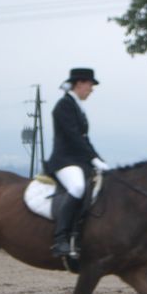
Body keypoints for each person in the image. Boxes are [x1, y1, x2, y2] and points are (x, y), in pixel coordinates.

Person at [46, 67, 109, 259]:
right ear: (80, 83)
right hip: (65, 161)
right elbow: (73, 137)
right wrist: (92, 158)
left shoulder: (77, 107)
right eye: (90, 85)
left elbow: (84, 139)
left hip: (79, 161)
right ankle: (60, 239)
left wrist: (98, 159)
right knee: (78, 188)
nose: (91, 89)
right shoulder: (63, 106)